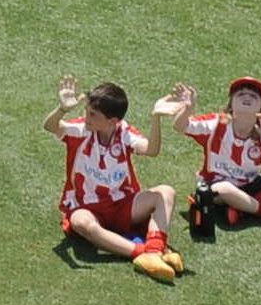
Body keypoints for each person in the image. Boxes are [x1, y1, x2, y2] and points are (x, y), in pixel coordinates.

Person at [54, 77, 188, 277]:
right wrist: (62, 109)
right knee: (80, 222)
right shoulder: (82, 129)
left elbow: (152, 150)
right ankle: (148, 252)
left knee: (165, 192)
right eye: (86, 111)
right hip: (87, 206)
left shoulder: (124, 132)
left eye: (92, 114)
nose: (86, 116)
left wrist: (155, 118)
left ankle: (153, 249)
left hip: (121, 204)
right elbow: (51, 126)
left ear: (113, 121)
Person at [180, 77, 261, 232]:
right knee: (225, 189)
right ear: (231, 105)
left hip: (249, 185)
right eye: (240, 94)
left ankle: (242, 210)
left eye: (254, 96)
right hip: (216, 187)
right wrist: (187, 109)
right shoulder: (216, 124)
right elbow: (180, 126)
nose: (247, 96)